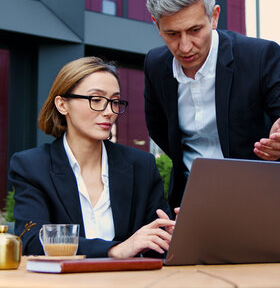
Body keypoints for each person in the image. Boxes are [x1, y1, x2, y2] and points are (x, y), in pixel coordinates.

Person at [144, 0, 280, 255]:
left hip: (266, 217)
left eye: (194, 30)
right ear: (156, 24)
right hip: (193, 216)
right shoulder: (155, 64)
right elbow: (160, 130)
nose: (185, 46)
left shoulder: (260, 56)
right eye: (172, 34)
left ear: (213, 16)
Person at [10, 57, 174, 258]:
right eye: (96, 100)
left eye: (115, 101)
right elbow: (33, 241)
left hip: (129, 286)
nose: (109, 112)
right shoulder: (32, 166)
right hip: (63, 286)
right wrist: (115, 250)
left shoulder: (141, 165)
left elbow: (155, 245)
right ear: (63, 105)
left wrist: (172, 237)